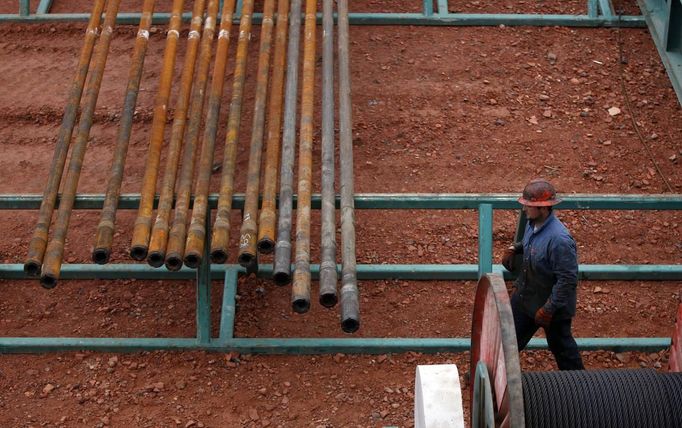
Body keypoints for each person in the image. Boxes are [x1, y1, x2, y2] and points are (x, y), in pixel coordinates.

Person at [502, 179, 585, 370]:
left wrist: (549, 309)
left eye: (529, 206)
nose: (524, 210)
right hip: (527, 298)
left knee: (563, 350)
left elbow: (567, 280)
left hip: (552, 308)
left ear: (544, 208)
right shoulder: (533, 223)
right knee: (506, 343)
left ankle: (582, 389)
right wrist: (515, 248)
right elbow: (532, 245)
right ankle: (486, 381)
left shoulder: (560, 240)